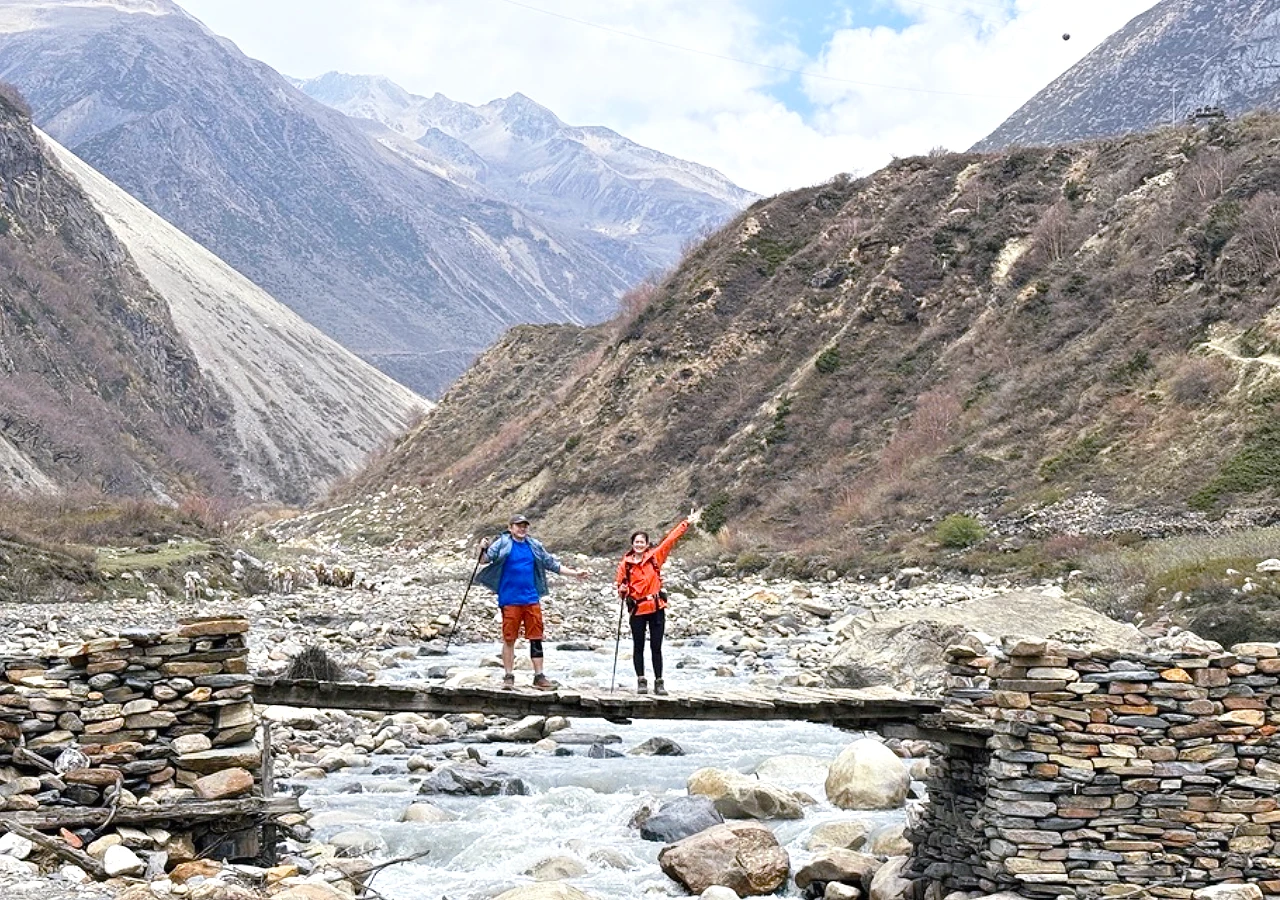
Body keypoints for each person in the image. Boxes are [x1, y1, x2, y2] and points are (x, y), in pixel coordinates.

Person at [476, 513, 588, 690]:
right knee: (509, 638)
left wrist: (575, 574)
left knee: (536, 638)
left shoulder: (534, 545)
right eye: (518, 526)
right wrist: (481, 547)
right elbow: (483, 560)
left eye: (524, 526)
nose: (522, 529)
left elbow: (551, 564)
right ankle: (508, 676)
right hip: (510, 599)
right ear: (511, 528)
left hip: (531, 598)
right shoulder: (503, 543)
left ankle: (539, 676)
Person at [615, 510, 698, 695]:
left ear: (646, 545)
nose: (639, 545)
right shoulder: (625, 565)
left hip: (656, 607)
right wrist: (622, 591)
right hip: (637, 609)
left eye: (642, 542)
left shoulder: (654, 557)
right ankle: (641, 680)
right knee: (638, 646)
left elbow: (670, 540)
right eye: (636, 542)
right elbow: (621, 587)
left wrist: (686, 523)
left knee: (656, 646)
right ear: (632, 544)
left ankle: (659, 682)